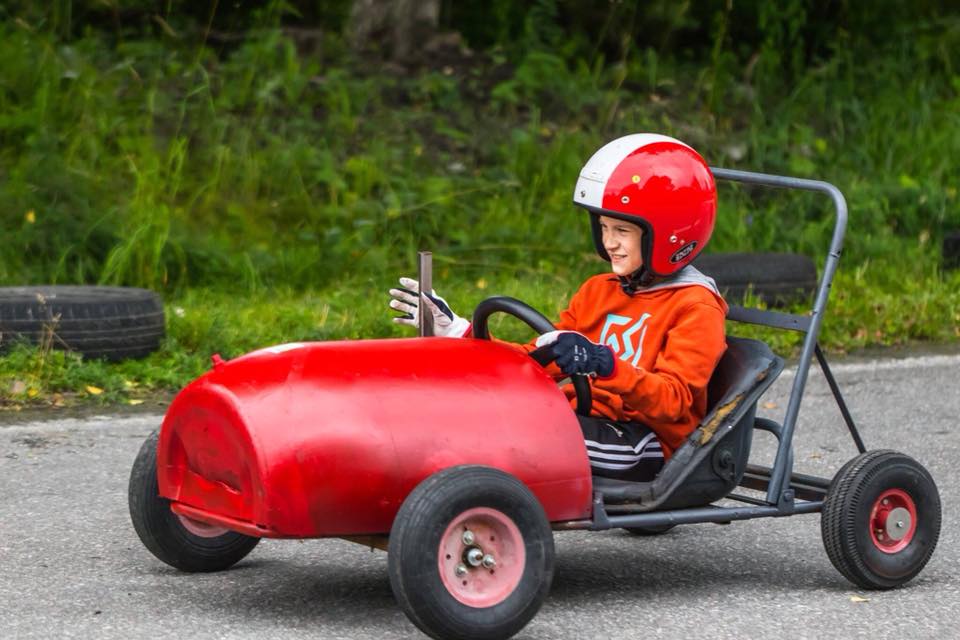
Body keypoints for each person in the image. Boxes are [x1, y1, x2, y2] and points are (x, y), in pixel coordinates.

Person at [388, 134, 728, 482]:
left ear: (670, 234)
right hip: (585, 416)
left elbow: (673, 402)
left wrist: (605, 364)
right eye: (604, 228)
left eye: (622, 230)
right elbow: (537, 362)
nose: (609, 242)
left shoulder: (696, 306)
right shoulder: (598, 290)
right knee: (472, 416)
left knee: (508, 437)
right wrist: (459, 333)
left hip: (645, 441)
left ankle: (475, 502)